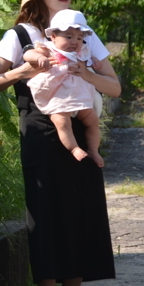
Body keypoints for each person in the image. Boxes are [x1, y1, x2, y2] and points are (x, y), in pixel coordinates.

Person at [0, 0, 119, 286]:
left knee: (82, 213)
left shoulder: (83, 32)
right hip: (39, 132)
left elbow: (114, 86)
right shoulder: (20, 35)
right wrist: (24, 70)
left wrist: (85, 72)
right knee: (45, 217)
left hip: (82, 127)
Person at [23, 9, 104, 168]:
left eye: (79, 37)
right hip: (57, 96)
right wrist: (39, 58)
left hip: (79, 96)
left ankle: (93, 149)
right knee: (61, 121)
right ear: (53, 37)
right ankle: (73, 148)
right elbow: (28, 54)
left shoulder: (82, 51)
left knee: (93, 120)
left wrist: (95, 62)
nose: (75, 41)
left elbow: (90, 60)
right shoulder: (48, 49)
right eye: (69, 36)